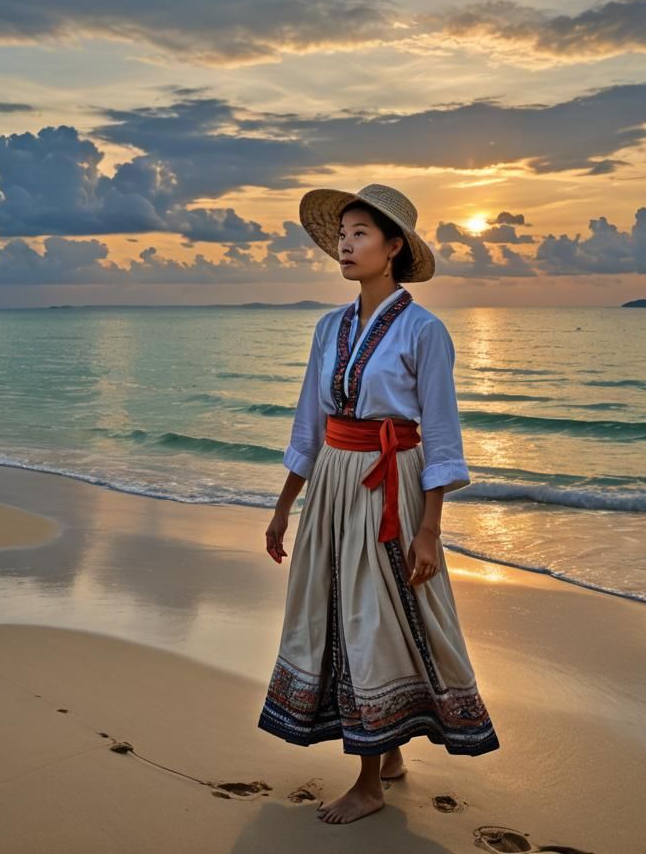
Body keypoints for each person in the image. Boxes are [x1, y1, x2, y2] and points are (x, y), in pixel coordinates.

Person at [257, 183, 499, 825]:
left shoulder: (425, 330)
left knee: (377, 616)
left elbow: (443, 437)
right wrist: (285, 506)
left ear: (394, 249)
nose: (345, 242)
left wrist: (429, 530)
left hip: (392, 481)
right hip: (335, 481)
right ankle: (385, 755)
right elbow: (308, 423)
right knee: (338, 612)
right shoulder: (328, 326)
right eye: (342, 233)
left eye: (360, 232)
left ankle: (369, 781)